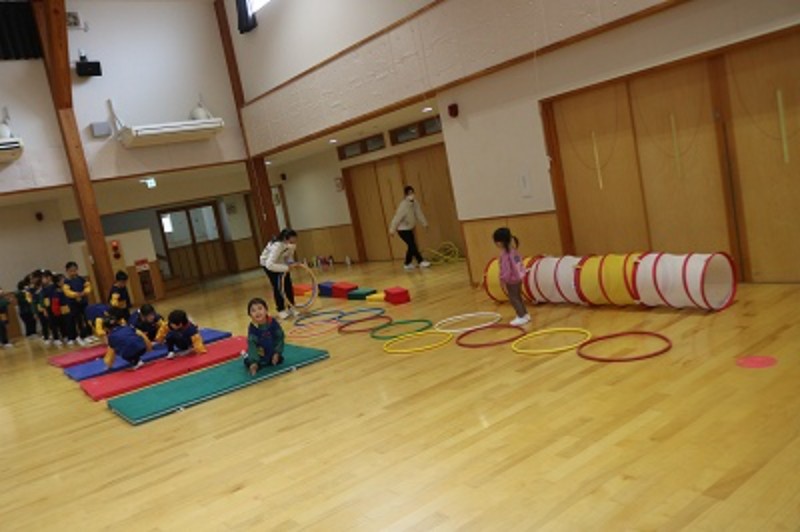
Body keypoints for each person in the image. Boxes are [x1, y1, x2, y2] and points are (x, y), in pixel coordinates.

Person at [493, 227, 531, 326]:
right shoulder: (513, 250)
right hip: (518, 278)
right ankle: (525, 314)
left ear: (500, 242)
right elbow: (519, 263)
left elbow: (506, 269)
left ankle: (521, 316)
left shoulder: (505, 254)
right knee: (518, 296)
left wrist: (503, 279)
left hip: (511, 279)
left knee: (513, 298)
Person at [389, 185, 431, 271]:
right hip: (402, 230)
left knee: (411, 246)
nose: (411, 195)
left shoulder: (415, 203)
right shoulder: (403, 205)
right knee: (412, 245)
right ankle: (420, 261)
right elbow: (397, 218)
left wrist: (425, 223)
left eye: (412, 193)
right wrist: (392, 229)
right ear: (405, 195)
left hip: (409, 228)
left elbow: (419, 213)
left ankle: (407, 263)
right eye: (409, 193)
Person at [259, 228, 298, 320]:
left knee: (288, 285)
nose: (293, 243)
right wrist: (285, 268)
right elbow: (269, 264)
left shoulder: (291, 245)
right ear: (285, 239)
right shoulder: (277, 246)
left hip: (280, 263)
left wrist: (291, 263)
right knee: (278, 286)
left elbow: (289, 256)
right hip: (268, 265)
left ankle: (291, 307)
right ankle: (281, 309)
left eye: (294, 241)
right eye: (291, 241)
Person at [243, 297, 285, 376]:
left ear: (266, 310)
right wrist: (254, 362)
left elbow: (280, 337)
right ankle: (252, 361)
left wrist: (277, 352)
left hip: (271, 351)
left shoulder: (272, 322)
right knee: (248, 362)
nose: (257, 312)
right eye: (253, 310)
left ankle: (273, 358)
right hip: (259, 354)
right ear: (250, 315)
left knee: (279, 360)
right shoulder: (253, 328)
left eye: (260, 308)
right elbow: (252, 345)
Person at [64, 261, 93, 345]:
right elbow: (67, 292)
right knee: (78, 320)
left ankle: (89, 334)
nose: (73, 272)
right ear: (67, 271)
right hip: (74, 304)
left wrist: (85, 292)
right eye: (71, 271)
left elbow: (88, 286)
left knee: (86, 318)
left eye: (75, 270)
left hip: (83, 302)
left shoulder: (81, 279)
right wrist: (76, 294)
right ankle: (81, 336)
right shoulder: (67, 282)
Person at [53, 274, 78, 346]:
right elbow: (56, 303)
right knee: (67, 323)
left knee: (73, 322)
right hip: (64, 309)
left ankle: (75, 336)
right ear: (58, 283)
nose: (64, 281)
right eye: (62, 280)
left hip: (71, 307)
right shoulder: (57, 292)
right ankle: (70, 337)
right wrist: (57, 311)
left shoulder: (68, 289)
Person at [40, 270, 62, 347]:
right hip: (49, 307)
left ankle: (64, 335)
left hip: (57, 305)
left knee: (60, 321)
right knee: (52, 323)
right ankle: (56, 338)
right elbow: (42, 299)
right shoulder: (43, 289)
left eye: (44, 278)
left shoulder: (55, 286)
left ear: (49, 278)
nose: (43, 280)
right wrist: (44, 309)